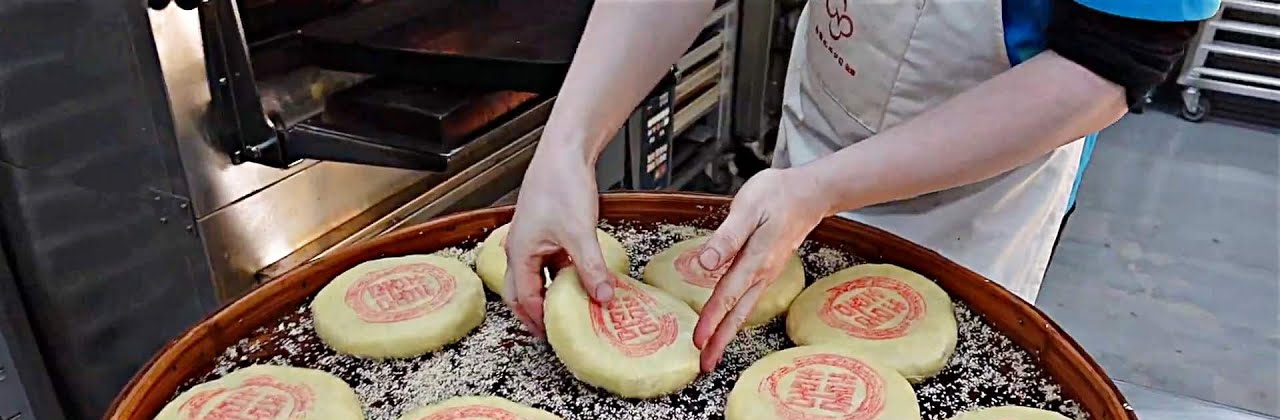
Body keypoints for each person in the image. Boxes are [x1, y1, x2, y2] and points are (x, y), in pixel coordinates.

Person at [502, 0, 1217, 372]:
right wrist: (567, 142)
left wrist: (825, 188)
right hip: (827, 110)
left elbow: (1113, 60)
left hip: (980, 181)